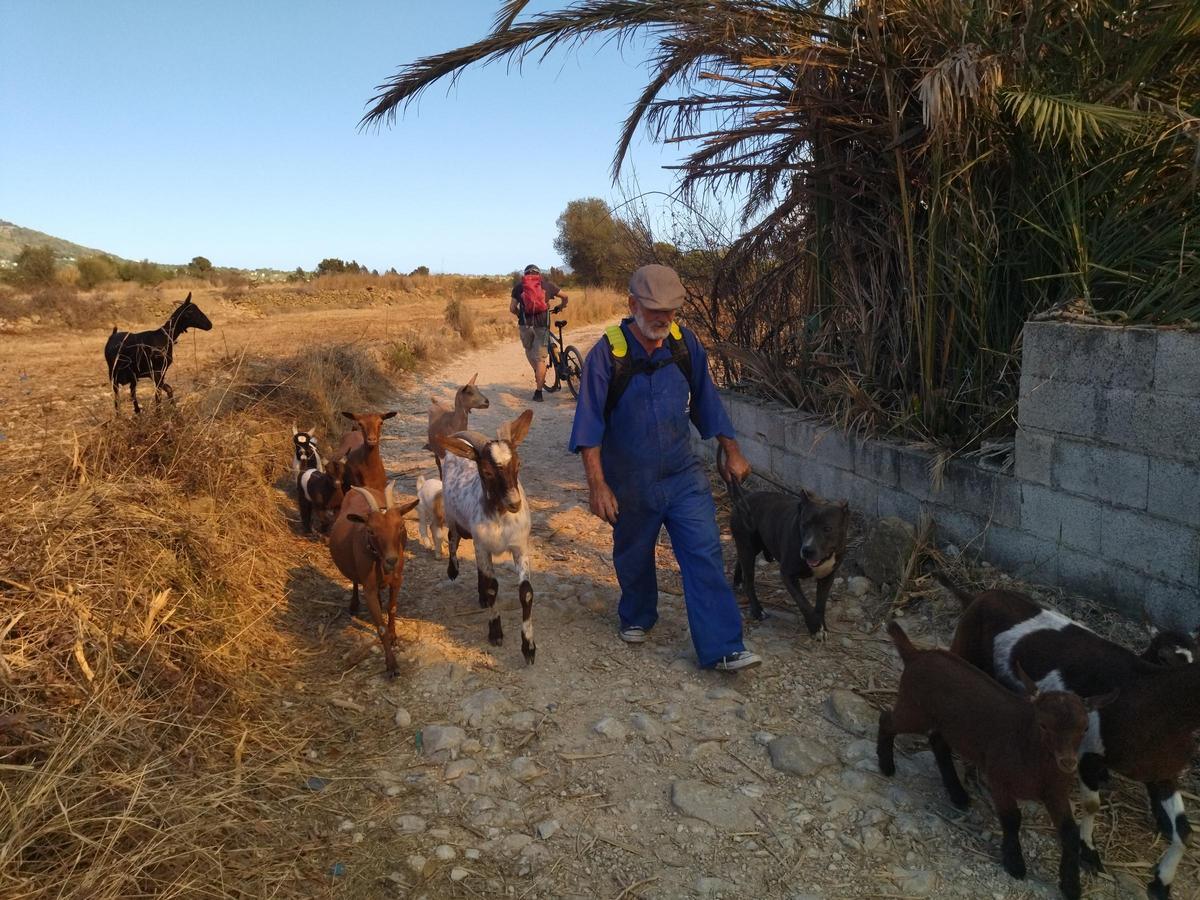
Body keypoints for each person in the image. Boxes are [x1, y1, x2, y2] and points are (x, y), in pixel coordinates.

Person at [568, 264, 761, 672]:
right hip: (630, 481)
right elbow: (589, 426)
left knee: (704, 550)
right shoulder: (607, 355)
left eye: (671, 311)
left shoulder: (683, 345)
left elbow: (708, 402)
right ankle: (638, 614)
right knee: (634, 554)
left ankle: (723, 645)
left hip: (682, 474)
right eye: (655, 310)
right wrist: (598, 484)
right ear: (632, 304)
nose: (664, 319)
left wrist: (731, 449)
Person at [510, 264, 568, 402]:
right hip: (543, 326)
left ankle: (538, 373)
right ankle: (538, 393)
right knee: (541, 359)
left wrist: (520, 315)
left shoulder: (519, 287)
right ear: (538, 274)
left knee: (529, 350)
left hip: (525, 326)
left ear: (525, 274)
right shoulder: (547, 285)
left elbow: (512, 308)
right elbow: (565, 297)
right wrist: (561, 306)